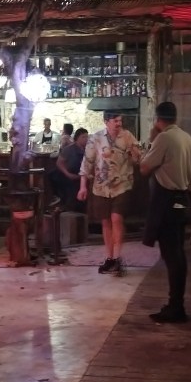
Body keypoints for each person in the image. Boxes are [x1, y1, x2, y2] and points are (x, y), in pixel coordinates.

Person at [139, 101, 191, 323]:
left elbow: (144, 168)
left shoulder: (164, 138)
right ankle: (176, 303)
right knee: (178, 253)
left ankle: (176, 307)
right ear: (175, 117)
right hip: (181, 199)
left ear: (157, 119)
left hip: (167, 201)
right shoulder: (186, 137)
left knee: (172, 256)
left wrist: (150, 143)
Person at [78, 111, 142, 274]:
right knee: (106, 221)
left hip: (122, 184)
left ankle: (118, 257)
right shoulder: (96, 138)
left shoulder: (127, 136)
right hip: (101, 187)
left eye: (120, 120)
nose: (119, 124)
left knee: (116, 218)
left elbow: (138, 158)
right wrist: (83, 187)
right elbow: (87, 162)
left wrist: (136, 154)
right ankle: (110, 257)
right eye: (115, 121)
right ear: (106, 122)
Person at [49, 127, 88, 209]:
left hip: (82, 176)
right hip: (69, 175)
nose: (86, 139)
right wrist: (68, 174)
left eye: (87, 137)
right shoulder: (69, 149)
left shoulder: (88, 149)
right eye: (83, 137)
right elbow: (59, 163)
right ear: (77, 138)